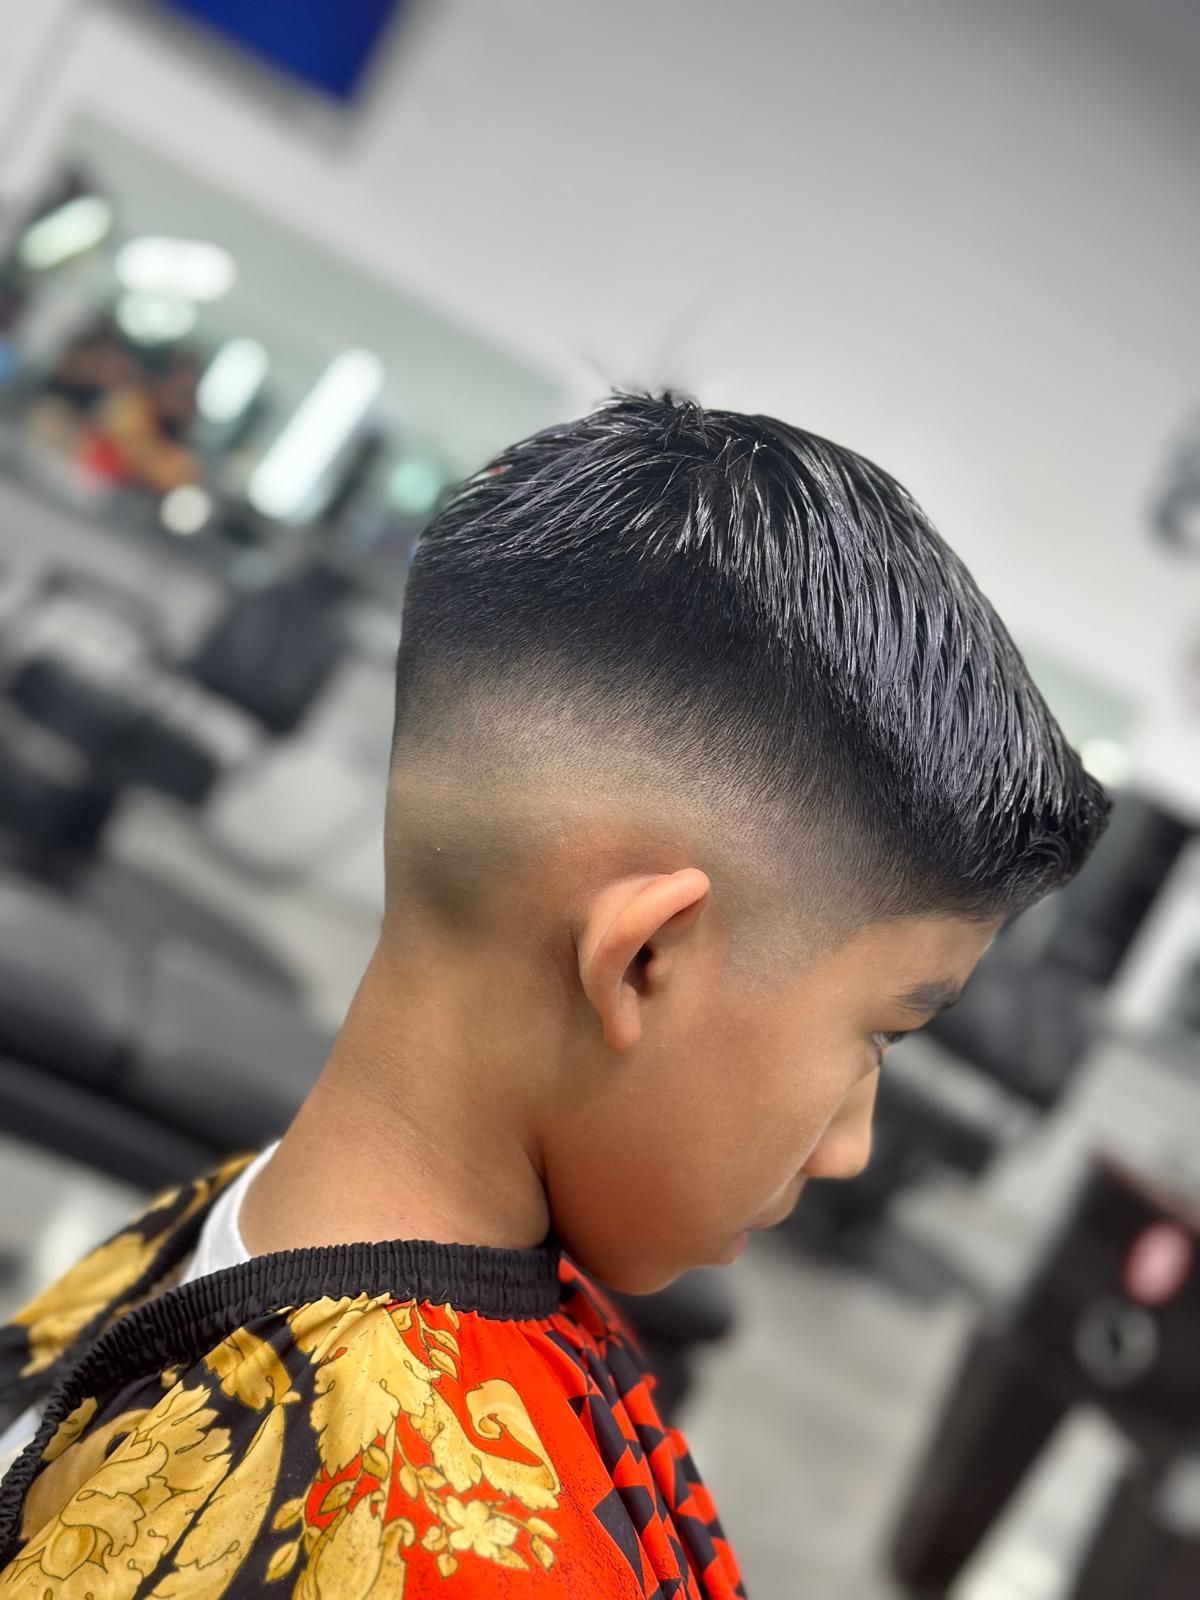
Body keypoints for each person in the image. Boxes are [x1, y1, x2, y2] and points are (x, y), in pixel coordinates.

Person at [0, 394, 1109, 1597]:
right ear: (642, 960)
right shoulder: (457, 1558)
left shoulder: (209, 1226)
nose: (852, 1147)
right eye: (881, 1033)